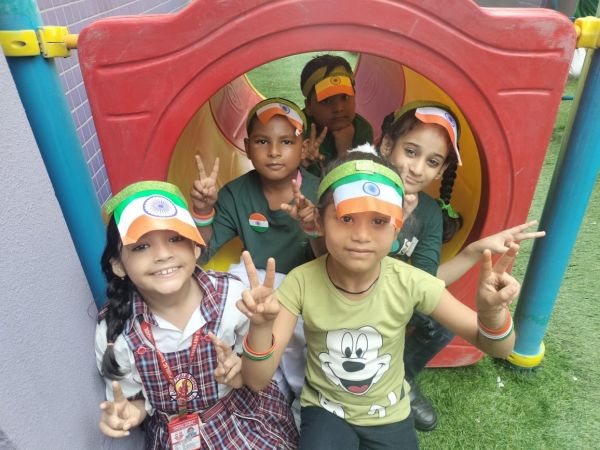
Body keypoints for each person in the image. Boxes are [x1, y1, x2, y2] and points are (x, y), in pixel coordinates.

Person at [238, 151, 522, 449]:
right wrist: (260, 326)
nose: (362, 235)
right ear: (319, 222)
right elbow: (256, 380)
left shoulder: (410, 281)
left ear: (397, 226)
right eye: (347, 218)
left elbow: (500, 347)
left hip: (389, 414)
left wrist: (492, 314)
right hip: (325, 410)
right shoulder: (300, 282)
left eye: (378, 220)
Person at [378, 101, 545, 430]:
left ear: (441, 171)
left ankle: (400, 378)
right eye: (410, 152)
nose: (417, 168)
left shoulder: (428, 213)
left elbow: (426, 280)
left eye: (432, 161)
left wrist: (473, 252)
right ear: (386, 145)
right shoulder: (359, 188)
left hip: (394, 295)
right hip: (349, 295)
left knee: (438, 322)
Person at [95, 181, 297, 449]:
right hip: (173, 436)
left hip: (239, 419)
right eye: (141, 246)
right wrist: (131, 413)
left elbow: (254, 377)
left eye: (175, 239)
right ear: (118, 265)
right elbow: (136, 401)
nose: (163, 254)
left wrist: (244, 356)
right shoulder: (116, 331)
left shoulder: (231, 297)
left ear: (196, 247)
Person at [190, 97, 320, 411]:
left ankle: (303, 397)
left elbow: (335, 262)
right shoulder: (236, 193)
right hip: (258, 286)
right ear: (247, 148)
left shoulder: (319, 192)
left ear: (303, 147)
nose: (273, 151)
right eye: (262, 141)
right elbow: (201, 253)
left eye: (286, 142)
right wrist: (203, 211)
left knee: (298, 336)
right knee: (232, 303)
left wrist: (314, 228)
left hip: (308, 288)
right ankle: (252, 384)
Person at [300, 54, 374, 176]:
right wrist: (305, 164)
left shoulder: (363, 130)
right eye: (326, 101)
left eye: (345, 97)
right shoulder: (298, 130)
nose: (339, 108)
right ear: (309, 106)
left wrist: (345, 150)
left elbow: (359, 180)